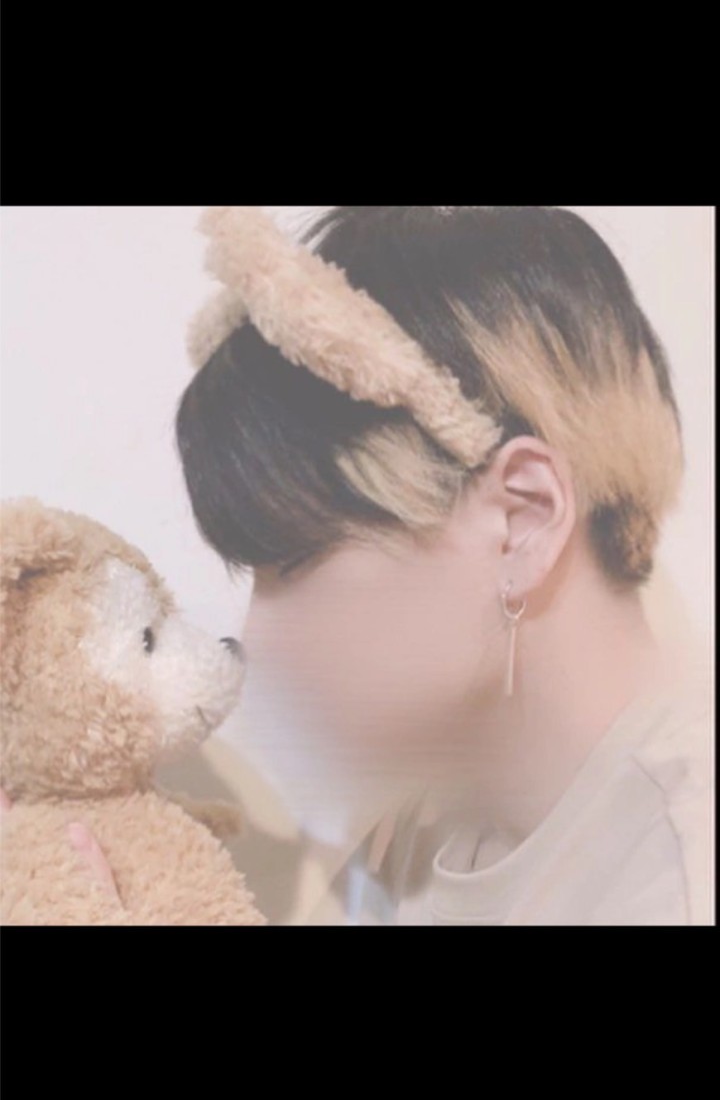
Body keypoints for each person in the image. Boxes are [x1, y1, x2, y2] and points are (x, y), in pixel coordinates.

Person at [20, 206, 713, 925]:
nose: (259, 641)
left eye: (298, 561)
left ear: (522, 522)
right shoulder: (428, 817)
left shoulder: (682, 877)